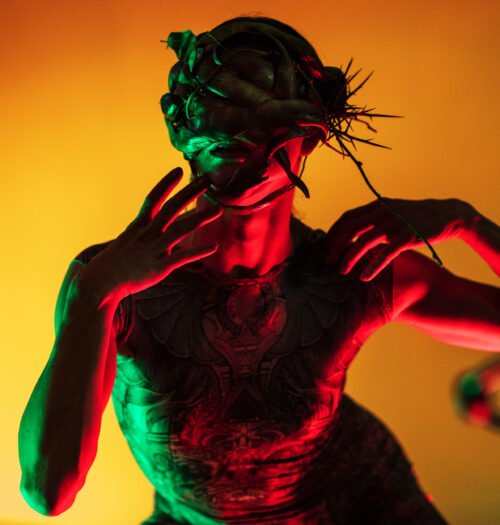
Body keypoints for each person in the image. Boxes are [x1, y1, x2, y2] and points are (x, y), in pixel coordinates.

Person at [18, 16, 500, 525]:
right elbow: (48, 490)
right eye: (222, 107)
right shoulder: (115, 284)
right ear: (182, 125)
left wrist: (467, 222)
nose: (239, 131)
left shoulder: (353, 269)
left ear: (311, 134)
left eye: (263, 113)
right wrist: (92, 295)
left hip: (361, 508)